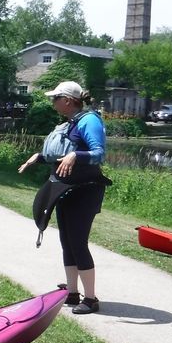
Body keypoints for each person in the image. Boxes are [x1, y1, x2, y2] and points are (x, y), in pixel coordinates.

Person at [18, 81, 110, 315]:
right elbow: (61, 152)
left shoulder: (89, 120)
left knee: (78, 242)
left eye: (55, 97)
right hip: (65, 188)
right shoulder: (72, 122)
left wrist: (75, 155)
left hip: (85, 190)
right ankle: (72, 292)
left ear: (68, 100)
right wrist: (38, 157)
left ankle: (91, 299)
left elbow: (98, 154)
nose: (52, 102)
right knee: (66, 241)